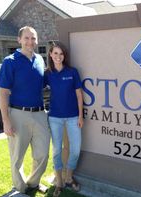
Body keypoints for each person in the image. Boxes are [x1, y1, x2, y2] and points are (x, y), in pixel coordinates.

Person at [0, 26, 50, 194]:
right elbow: (4, 92)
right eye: (26, 38)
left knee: (43, 153)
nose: (30, 42)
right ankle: (20, 188)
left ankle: (33, 183)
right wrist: (6, 120)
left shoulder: (40, 60)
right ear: (19, 40)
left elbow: (42, 85)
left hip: (40, 113)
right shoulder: (10, 61)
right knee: (17, 157)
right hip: (18, 114)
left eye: (33, 38)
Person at [44, 41, 83, 196]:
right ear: (51, 55)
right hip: (55, 118)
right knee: (56, 150)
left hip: (73, 117)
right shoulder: (47, 74)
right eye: (55, 53)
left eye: (61, 54)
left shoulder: (72, 72)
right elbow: (36, 87)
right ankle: (59, 181)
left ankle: (69, 177)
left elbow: (79, 94)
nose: (58, 56)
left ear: (64, 56)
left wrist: (81, 115)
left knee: (75, 149)